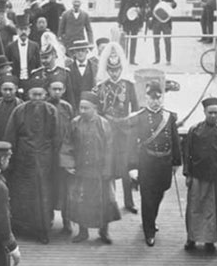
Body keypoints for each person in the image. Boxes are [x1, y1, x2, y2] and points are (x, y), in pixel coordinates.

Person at [118, 80, 181, 246]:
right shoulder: (139, 118)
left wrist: (176, 162)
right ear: (146, 98)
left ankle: (151, 219)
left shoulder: (169, 117)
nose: (155, 101)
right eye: (152, 98)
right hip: (147, 163)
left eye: (158, 98)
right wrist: (132, 167)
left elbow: (175, 140)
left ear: (162, 98)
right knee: (147, 197)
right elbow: (131, 144)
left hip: (164, 163)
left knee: (159, 194)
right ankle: (149, 230)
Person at [60, 91, 121, 243]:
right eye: (80, 107)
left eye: (86, 108)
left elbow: (110, 148)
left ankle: (104, 232)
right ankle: (83, 232)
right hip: (81, 170)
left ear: (95, 108)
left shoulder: (103, 124)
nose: (82, 111)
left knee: (104, 202)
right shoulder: (75, 123)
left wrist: (107, 169)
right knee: (81, 201)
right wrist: (68, 164)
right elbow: (67, 143)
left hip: (100, 171)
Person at [5, 84, 59, 244]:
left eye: (40, 95)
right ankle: (21, 228)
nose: (37, 98)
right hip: (23, 158)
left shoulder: (51, 111)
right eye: (34, 95)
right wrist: (10, 157)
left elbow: (56, 135)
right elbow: (10, 134)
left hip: (44, 159)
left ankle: (43, 229)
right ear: (28, 95)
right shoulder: (19, 111)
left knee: (43, 194)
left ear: (45, 95)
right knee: (22, 192)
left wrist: (55, 159)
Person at [183, 97, 217, 253]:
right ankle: (192, 238)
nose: (213, 115)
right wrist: (187, 174)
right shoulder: (194, 130)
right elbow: (187, 153)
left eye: (216, 113)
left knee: (215, 209)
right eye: (210, 112)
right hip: (198, 176)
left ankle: (210, 240)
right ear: (204, 112)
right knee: (195, 208)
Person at [94, 42, 139, 213]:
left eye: (117, 69)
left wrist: (133, 127)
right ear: (107, 69)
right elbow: (98, 110)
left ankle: (129, 202)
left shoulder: (129, 85)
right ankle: (110, 201)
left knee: (125, 167)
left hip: (124, 131)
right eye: (111, 70)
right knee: (108, 166)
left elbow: (135, 108)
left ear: (121, 68)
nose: (114, 73)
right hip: (107, 130)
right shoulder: (101, 86)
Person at [47, 80, 75, 234]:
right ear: (48, 89)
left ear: (63, 90)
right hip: (48, 155)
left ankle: (67, 221)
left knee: (65, 189)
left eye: (59, 89)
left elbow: (72, 130)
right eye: (54, 89)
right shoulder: (44, 106)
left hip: (64, 154)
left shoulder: (67, 107)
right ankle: (48, 218)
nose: (56, 92)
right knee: (48, 187)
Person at [30, 41, 74, 106]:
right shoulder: (36, 74)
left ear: (54, 55)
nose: (43, 61)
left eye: (46, 57)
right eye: (42, 58)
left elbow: (70, 97)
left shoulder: (64, 73)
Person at [117, 0, 146, 65]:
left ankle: (132, 60)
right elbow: (121, 9)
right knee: (125, 41)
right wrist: (119, 22)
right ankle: (124, 59)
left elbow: (144, 9)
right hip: (126, 21)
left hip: (135, 22)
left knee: (134, 41)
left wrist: (140, 11)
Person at [5, 15, 40, 85]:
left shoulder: (34, 46)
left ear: (29, 30)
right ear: (17, 30)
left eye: (25, 29)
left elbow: (38, 65)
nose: (23, 32)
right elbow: (7, 65)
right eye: (21, 29)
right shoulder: (10, 47)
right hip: (15, 80)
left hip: (31, 80)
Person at [148, 0, 177, 65]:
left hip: (166, 23)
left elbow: (174, 5)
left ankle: (168, 60)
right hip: (156, 23)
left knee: (167, 41)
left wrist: (171, 4)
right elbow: (150, 9)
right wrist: (150, 19)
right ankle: (157, 59)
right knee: (156, 42)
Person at [65, 39, 99, 108]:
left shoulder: (95, 67)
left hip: (90, 105)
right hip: (74, 105)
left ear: (87, 52)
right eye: (78, 51)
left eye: (83, 50)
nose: (80, 53)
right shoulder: (68, 69)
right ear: (74, 52)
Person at [0, 76, 22, 141]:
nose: (8, 93)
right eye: (5, 90)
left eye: (10, 89)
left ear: (16, 89)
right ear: (0, 90)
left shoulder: (21, 106)